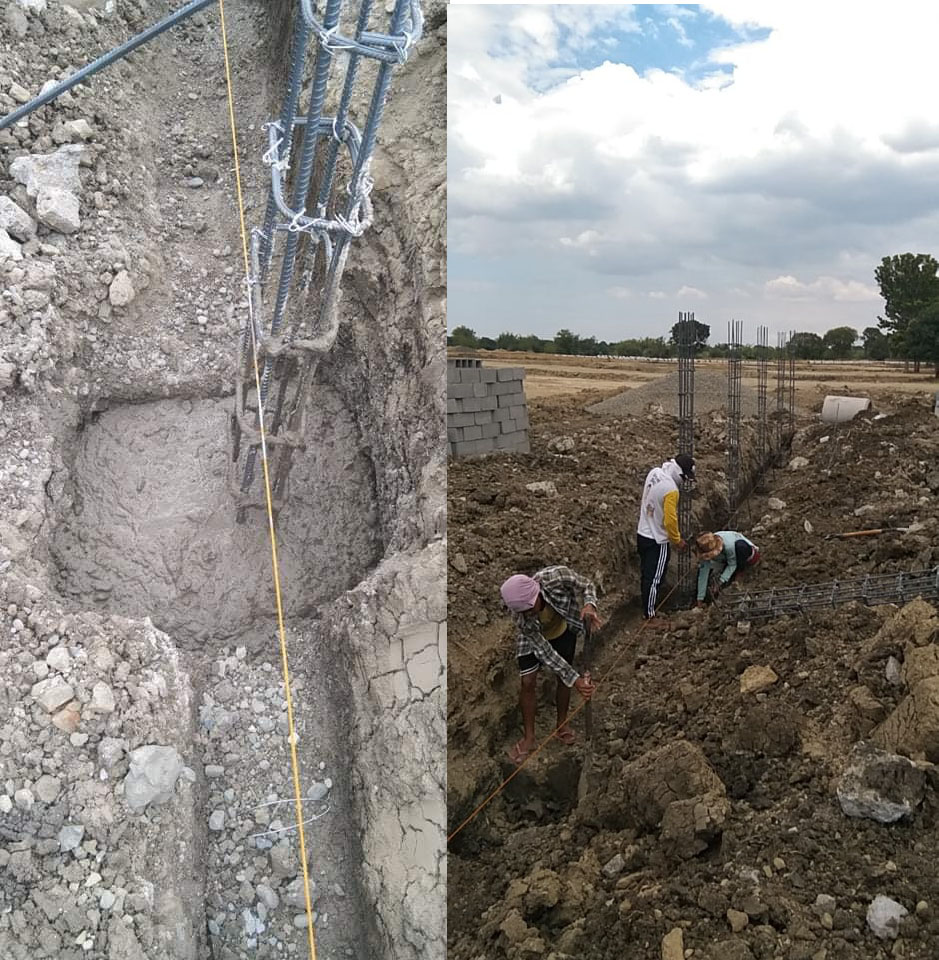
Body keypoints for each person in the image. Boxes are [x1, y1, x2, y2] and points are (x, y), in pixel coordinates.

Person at [500, 566, 602, 765]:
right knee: (527, 682)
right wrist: (576, 679)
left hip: (563, 629)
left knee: (563, 679)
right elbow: (544, 652)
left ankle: (562, 724)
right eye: (525, 611)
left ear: (536, 592)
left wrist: (590, 604)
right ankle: (529, 737)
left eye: (531, 607)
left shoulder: (555, 577)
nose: (529, 612)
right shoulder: (521, 617)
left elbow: (587, 584)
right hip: (536, 639)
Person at [636, 454, 695, 626]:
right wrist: (677, 540)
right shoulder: (671, 490)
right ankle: (650, 615)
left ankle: (647, 608)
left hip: (642, 532)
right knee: (654, 578)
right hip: (657, 539)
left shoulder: (654, 472)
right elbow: (670, 520)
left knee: (646, 574)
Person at [693, 531, 761, 606]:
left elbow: (732, 564)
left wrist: (719, 583)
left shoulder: (728, 545)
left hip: (746, 555)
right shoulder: (705, 546)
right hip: (725, 558)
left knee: (740, 547)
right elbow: (703, 574)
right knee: (703, 568)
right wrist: (700, 598)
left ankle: (740, 572)